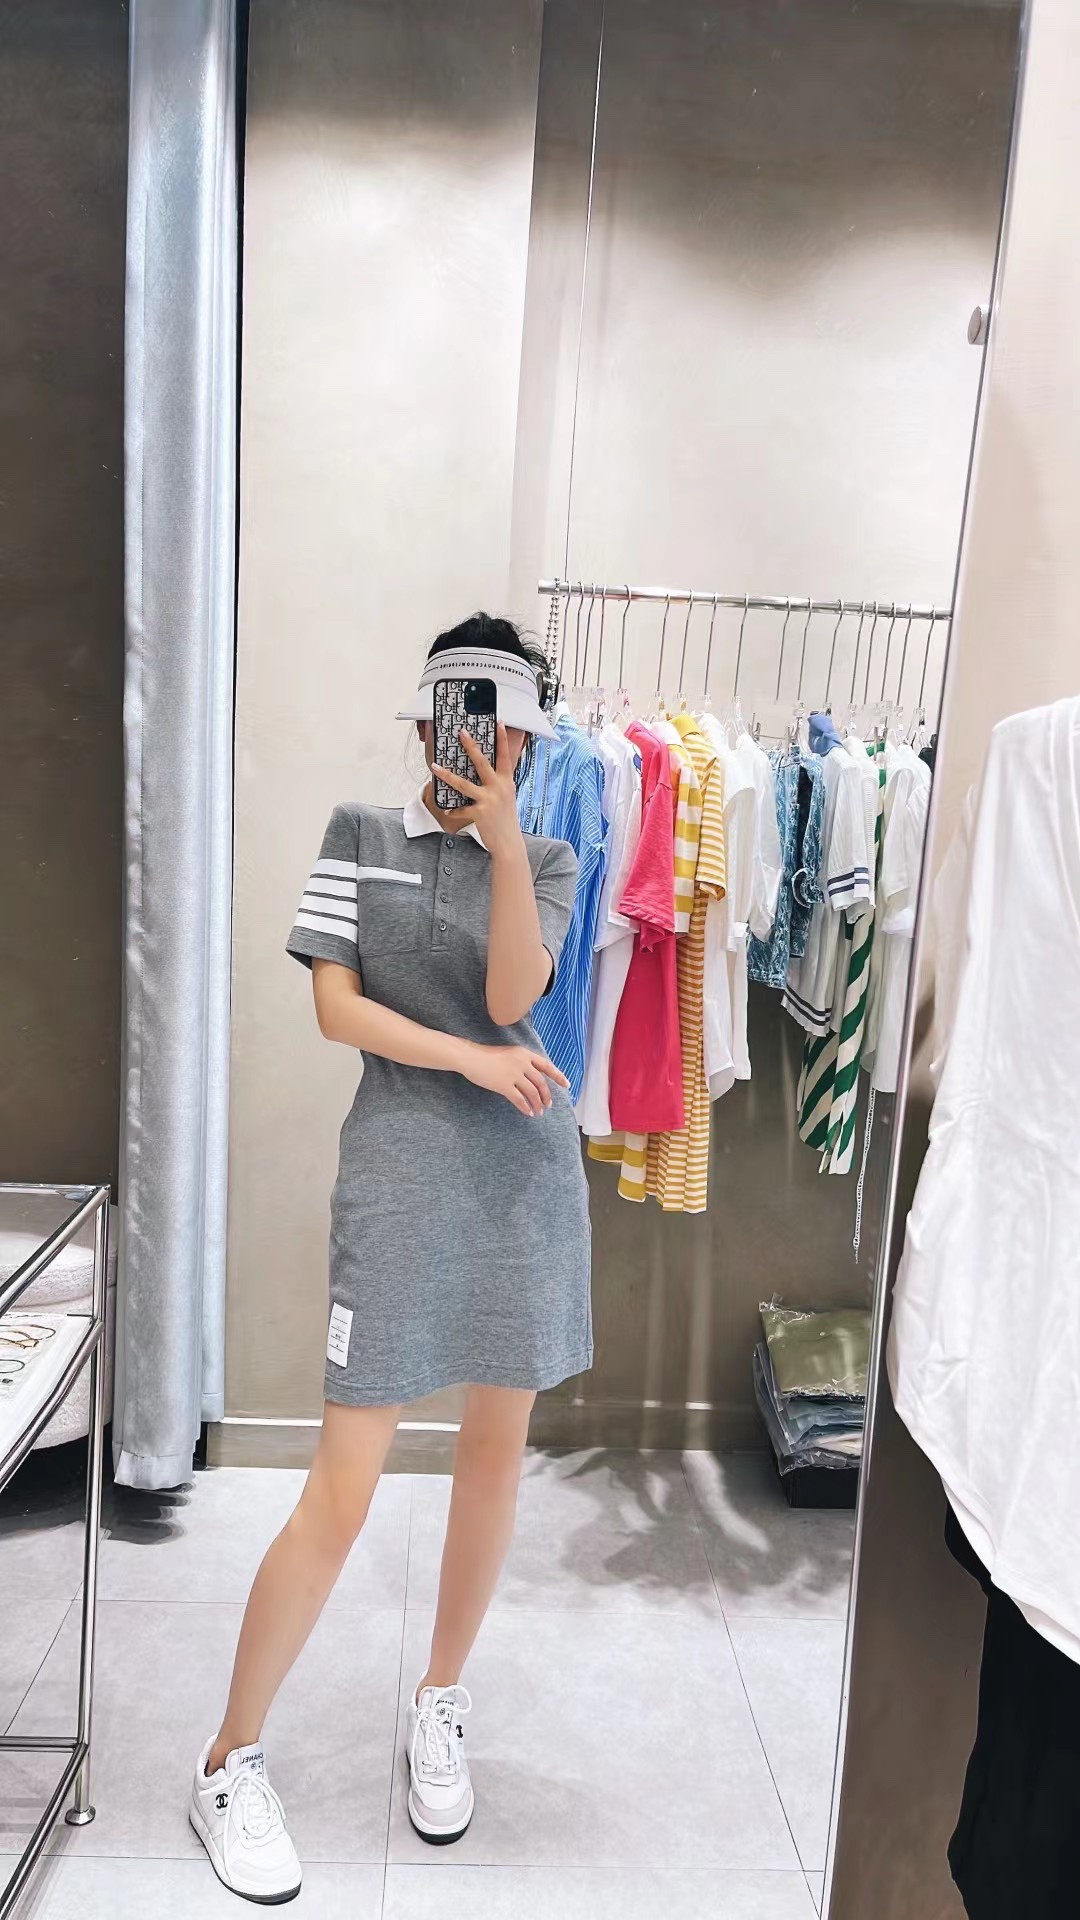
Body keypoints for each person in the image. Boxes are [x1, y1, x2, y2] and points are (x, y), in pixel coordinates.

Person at [188, 613, 593, 1903]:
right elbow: (336, 1008)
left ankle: (440, 1699)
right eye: (455, 722)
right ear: (424, 722)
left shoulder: (554, 855)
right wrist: (468, 1060)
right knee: (345, 1485)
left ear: (527, 743)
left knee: (493, 1460)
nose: (473, 748)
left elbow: (519, 997)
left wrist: (505, 843)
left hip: (522, 1183)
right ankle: (227, 1759)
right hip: (401, 1178)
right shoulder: (358, 835)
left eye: (502, 731)